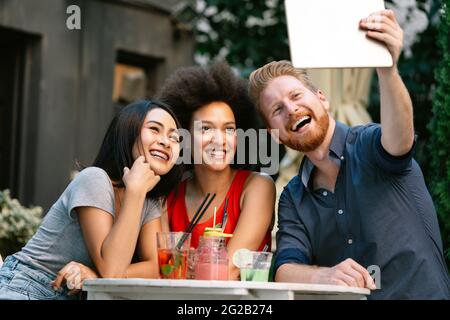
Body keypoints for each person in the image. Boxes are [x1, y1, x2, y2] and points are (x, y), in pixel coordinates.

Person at [248, 10, 450, 299]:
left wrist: (387, 69)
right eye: (277, 110)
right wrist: (324, 274)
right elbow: (285, 269)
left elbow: (400, 139)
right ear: (275, 134)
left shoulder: (369, 144)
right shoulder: (293, 197)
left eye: (296, 96)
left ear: (322, 99)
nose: (290, 109)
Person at [0, 100, 183, 299]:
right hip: (29, 285)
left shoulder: (148, 201)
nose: (166, 142)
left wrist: (95, 277)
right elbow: (113, 271)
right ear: (128, 132)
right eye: (155, 129)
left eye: (174, 138)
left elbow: (159, 267)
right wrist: (135, 192)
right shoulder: (94, 179)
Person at [158, 61, 275, 280]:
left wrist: (186, 265)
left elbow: (228, 270)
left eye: (229, 129)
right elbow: (163, 272)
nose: (220, 140)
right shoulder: (168, 196)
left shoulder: (258, 186)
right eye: (206, 128)